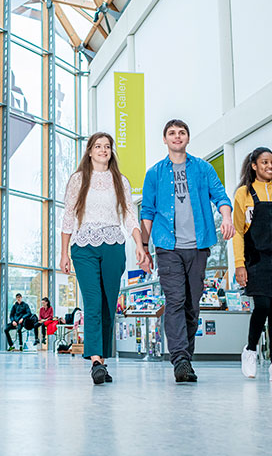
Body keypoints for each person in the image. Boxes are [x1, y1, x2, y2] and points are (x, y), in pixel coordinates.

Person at [140, 119, 234, 383]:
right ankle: (180, 359)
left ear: (188, 138)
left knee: (192, 305)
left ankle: (186, 358)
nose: (177, 136)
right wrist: (143, 247)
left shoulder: (202, 168)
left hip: (199, 245)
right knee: (175, 301)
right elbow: (147, 211)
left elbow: (220, 196)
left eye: (181, 133)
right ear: (165, 139)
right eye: (171, 133)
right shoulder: (155, 173)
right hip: (167, 247)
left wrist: (226, 217)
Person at [60, 132, 147, 385]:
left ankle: (104, 361)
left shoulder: (120, 180)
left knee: (109, 303)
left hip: (114, 246)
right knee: (93, 302)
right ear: (89, 151)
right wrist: (63, 252)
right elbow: (68, 216)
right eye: (98, 146)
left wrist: (139, 244)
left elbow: (130, 215)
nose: (103, 150)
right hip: (83, 246)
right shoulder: (78, 179)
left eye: (107, 146)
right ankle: (96, 361)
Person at [235, 148, 272, 382]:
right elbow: (239, 232)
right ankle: (250, 350)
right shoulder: (244, 193)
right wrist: (240, 264)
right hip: (256, 259)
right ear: (254, 166)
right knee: (261, 305)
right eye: (264, 162)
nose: (270, 166)